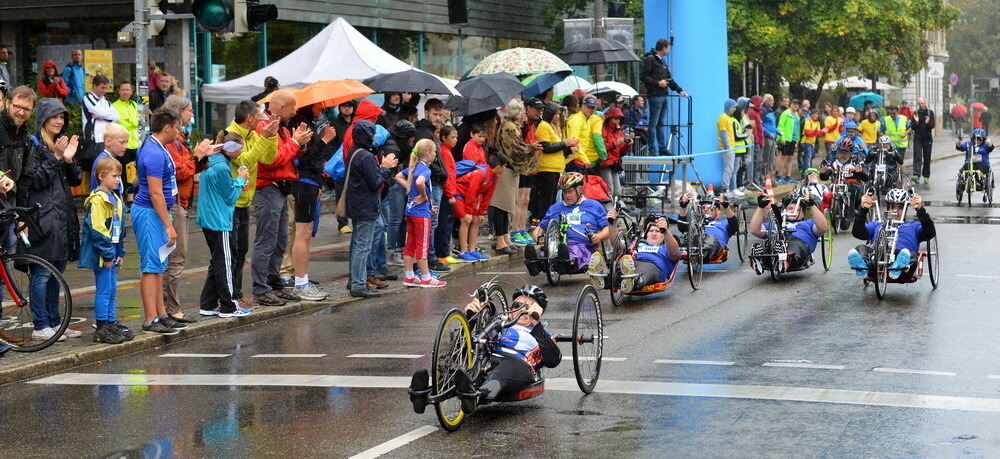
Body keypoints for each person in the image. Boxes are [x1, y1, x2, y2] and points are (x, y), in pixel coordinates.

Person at [409, 284, 560, 415]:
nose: (522, 310)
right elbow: (465, 346)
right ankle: (424, 394)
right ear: (509, 309)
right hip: (487, 357)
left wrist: (536, 325)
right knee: (462, 367)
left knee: (503, 371)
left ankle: (476, 396)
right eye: (517, 305)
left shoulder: (542, 334)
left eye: (529, 307)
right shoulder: (498, 325)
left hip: (517, 363)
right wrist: (471, 319)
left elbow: (553, 359)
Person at [26, 98, 83, 341]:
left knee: (56, 273)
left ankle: (54, 321)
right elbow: (35, 180)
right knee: (42, 274)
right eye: (54, 117)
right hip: (42, 219)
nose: (59, 121)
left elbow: (76, 180)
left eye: (62, 117)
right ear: (44, 119)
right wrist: (56, 157)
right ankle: (40, 324)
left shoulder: (58, 145)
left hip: (61, 219)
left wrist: (68, 158)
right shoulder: (35, 145)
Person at [133, 109, 192, 335]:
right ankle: (150, 319)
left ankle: (161, 314)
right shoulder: (154, 154)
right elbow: (156, 193)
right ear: (167, 127)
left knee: (159, 266)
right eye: (176, 127)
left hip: (156, 212)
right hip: (150, 213)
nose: (179, 131)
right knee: (151, 266)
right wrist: (168, 224)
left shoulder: (158, 148)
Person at [251, 90, 311, 306]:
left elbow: (285, 157)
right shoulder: (265, 126)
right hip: (268, 188)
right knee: (267, 240)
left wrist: (299, 144)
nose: (295, 112)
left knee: (280, 240)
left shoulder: (280, 127)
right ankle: (261, 288)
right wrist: (295, 143)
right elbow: (272, 160)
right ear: (281, 108)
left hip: (280, 188)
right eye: (292, 108)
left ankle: (273, 284)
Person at [161, 95, 211, 321]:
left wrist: (201, 157)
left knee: (177, 258)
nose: (192, 114)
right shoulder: (171, 140)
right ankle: (171, 309)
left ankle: (170, 307)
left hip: (183, 201)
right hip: (176, 203)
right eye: (189, 110)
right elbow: (177, 172)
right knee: (176, 258)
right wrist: (196, 156)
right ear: (178, 112)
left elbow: (187, 168)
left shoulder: (179, 138)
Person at [226, 101, 279, 308]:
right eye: (258, 116)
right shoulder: (230, 135)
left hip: (245, 199)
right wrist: (264, 138)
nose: (261, 120)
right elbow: (245, 160)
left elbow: (268, 157)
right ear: (249, 118)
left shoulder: (252, 135)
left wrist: (272, 136)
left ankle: (236, 294)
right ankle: (230, 296)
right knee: (231, 252)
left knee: (241, 251)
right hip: (231, 202)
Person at [198, 132, 253, 317]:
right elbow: (230, 197)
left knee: (217, 262)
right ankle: (229, 305)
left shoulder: (211, 161)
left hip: (208, 218)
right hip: (218, 220)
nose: (242, 151)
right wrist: (241, 179)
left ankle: (207, 303)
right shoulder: (222, 167)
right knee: (225, 263)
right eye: (240, 148)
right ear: (232, 149)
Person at [79, 155, 131, 344]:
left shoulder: (115, 197)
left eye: (119, 176)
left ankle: (111, 321)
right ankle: (102, 327)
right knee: (103, 289)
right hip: (103, 254)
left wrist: (119, 253)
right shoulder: (98, 200)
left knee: (112, 289)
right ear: (101, 176)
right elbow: (98, 229)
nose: (118, 179)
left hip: (112, 253)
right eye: (114, 176)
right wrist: (108, 253)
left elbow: (119, 229)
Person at [288, 104, 336, 301]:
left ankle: (302, 279)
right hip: (304, 183)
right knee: (302, 233)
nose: (322, 107)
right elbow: (306, 157)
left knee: (305, 233)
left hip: (310, 182)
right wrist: (325, 139)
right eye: (319, 105)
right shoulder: (302, 124)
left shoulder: (310, 124)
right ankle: (300, 282)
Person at [346, 120, 398, 298]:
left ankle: (355, 280)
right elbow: (375, 182)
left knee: (357, 245)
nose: (374, 137)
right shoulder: (366, 157)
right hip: (366, 205)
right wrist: (385, 168)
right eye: (372, 133)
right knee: (363, 246)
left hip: (356, 203)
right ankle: (359, 284)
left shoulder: (355, 151)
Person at [524, 173, 611, 276]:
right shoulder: (555, 208)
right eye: (564, 192)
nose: (567, 196)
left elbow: (608, 229)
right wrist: (537, 237)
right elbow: (539, 229)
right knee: (548, 253)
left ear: (579, 190)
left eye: (570, 192)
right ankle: (535, 264)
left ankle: (565, 262)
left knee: (573, 251)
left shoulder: (594, 205)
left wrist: (599, 236)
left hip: (582, 244)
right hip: (557, 243)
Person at [848, 189, 935, 279]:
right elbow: (858, 233)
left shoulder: (914, 226)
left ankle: (898, 267)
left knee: (910, 255)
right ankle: (862, 266)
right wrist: (863, 209)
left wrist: (920, 210)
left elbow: (930, 233)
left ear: (905, 208)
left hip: (903, 259)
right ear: (888, 208)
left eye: (900, 207)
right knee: (861, 248)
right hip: (877, 258)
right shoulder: (877, 224)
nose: (896, 210)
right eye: (892, 206)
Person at [395, 139, 447, 288]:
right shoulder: (425, 169)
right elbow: (419, 182)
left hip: (411, 211)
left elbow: (398, 176)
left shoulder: (414, 166)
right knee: (422, 245)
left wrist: (411, 191)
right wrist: (424, 196)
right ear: (429, 153)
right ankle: (426, 277)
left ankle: (409, 276)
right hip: (421, 214)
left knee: (409, 244)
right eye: (435, 152)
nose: (436, 154)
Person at [748, 190, 828, 274]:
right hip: (775, 243)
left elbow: (823, 228)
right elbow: (754, 230)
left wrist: (811, 205)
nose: (794, 212)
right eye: (790, 208)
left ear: (803, 214)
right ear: (784, 211)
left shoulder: (808, 224)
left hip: (798, 243)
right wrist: (761, 207)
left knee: (795, 246)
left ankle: (785, 260)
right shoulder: (775, 223)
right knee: (768, 246)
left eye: (798, 210)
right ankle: (759, 259)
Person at [413, 98, 451, 274]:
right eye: (434, 114)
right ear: (426, 113)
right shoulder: (423, 131)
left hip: (434, 180)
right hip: (431, 181)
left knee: (431, 222)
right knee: (430, 222)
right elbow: (425, 158)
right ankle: (429, 258)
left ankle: (427, 258)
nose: (438, 118)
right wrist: (441, 172)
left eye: (440, 114)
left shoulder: (431, 131)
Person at [494, 98, 536, 255]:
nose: (524, 113)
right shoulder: (509, 127)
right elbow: (516, 149)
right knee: (501, 207)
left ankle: (506, 239)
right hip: (506, 169)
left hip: (511, 170)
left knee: (507, 207)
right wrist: (532, 148)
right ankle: (501, 241)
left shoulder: (512, 126)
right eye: (523, 110)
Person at [455, 127, 500, 263]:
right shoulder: (469, 147)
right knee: (466, 220)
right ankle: (464, 250)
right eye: (479, 136)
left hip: (478, 187)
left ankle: (472, 249)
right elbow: (474, 170)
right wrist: (469, 210)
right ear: (472, 134)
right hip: (468, 187)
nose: (482, 139)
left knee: (476, 220)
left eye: (484, 137)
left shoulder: (481, 149)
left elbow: (487, 194)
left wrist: (481, 211)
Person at [641, 38, 688, 157]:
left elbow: (669, 79)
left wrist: (679, 90)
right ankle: (653, 150)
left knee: (660, 123)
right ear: (663, 48)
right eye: (668, 48)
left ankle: (662, 148)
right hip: (655, 95)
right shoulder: (650, 59)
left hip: (663, 95)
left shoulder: (663, 62)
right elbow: (643, 76)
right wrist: (658, 83)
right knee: (654, 123)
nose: (668, 51)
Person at [533, 102, 579, 221]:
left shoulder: (554, 126)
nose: (557, 117)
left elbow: (558, 149)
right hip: (547, 168)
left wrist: (569, 149)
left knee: (552, 199)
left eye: (559, 114)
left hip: (556, 168)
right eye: (555, 114)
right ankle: (542, 223)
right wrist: (565, 143)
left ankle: (550, 222)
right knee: (546, 199)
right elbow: (547, 148)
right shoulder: (544, 126)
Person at [677, 192, 738, 262]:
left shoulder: (724, 223)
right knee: (678, 238)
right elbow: (682, 227)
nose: (705, 209)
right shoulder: (696, 223)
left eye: (709, 207)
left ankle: (700, 250)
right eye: (703, 207)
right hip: (695, 242)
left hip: (715, 245)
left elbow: (735, 227)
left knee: (709, 238)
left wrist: (726, 207)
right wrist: (683, 206)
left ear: (718, 211)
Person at [820, 140, 868, 230]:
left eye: (845, 153)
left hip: (854, 185)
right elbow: (824, 177)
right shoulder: (834, 162)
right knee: (829, 190)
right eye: (841, 152)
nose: (843, 155)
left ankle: (850, 214)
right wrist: (823, 173)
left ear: (850, 154)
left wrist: (860, 172)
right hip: (838, 186)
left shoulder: (856, 162)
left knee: (849, 186)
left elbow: (866, 178)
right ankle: (831, 211)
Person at [83, 74, 120, 172]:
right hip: (94, 139)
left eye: (105, 88)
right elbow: (100, 112)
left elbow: (117, 116)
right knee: (98, 169)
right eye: (102, 87)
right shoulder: (88, 98)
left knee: (107, 168)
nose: (104, 90)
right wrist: (106, 116)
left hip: (106, 138)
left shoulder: (105, 101)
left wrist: (102, 117)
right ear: (94, 85)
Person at [435, 126, 461, 265]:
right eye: (452, 137)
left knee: (446, 223)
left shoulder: (447, 151)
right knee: (445, 223)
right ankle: (442, 253)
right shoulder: (444, 152)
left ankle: (443, 252)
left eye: (456, 137)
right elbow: (447, 176)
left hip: (449, 192)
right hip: (447, 194)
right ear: (444, 138)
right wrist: (450, 194)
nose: (455, 140)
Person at [111, 81, 140, 179]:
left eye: (127, 90)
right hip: (122, 144)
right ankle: (125, 192)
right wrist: (132, 122)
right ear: (118, 91)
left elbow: (139, 122)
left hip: (136, 143)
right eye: (122, 90)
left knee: (136, 171)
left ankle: (133, 192)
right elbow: (119, 125)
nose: (125, 92)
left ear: (131, 92)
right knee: (123, 171)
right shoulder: (114, 106)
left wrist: (129, 120)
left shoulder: (135, 105)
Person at [599, 107, 630, 201]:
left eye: (619, 119)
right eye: (615, 118)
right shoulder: (602, 130)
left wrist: (627, 144)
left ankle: (614, 211)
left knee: (617, 191)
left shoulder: (619, 132)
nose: (617, 121)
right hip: (605, 162)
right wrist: (615, 144)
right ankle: (609, 212)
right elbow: (601, 147)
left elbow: (622, 152)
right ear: (609, 118)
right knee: (609, 190)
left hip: (614, 163)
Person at [910, 98, 936, 184]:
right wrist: (916, 122)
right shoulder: (915, 113)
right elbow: (913, 127)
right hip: (918, 138)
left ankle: (926, 176)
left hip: (927, 138)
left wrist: (927, 122)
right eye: (919, 104)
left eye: (922, 103)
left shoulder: (930, 113)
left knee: (927, 157)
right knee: (917, 156)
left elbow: (932, 126)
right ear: (918, 104)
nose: (921, 105)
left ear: (925, 103)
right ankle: (916, 175)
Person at [776, 98, 801, 184]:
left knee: (790, 158)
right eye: (794, 104)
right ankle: (779, 176)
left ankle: (788, 176)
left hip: (793, 139)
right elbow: (780, 126)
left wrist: (797, 139)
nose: (796, 106)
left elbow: (797, 128)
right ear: (791, 104)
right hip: (786, 138)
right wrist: (782, 137)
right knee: (783, 157)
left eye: (797, 104)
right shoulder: (785, 113)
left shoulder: (797, 115)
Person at [717, 99, 738, 193]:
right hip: (726, 148)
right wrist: (727, 146)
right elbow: (723, 132)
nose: (734, 110)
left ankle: (727, 187)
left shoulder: (727, 118)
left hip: (730, 147)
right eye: (733, 107)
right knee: (728, 168)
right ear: (729, 107)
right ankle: (725, 188)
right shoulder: (723, 118)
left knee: (730, 168)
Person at [760, 94, 778, 184]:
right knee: (765, 159)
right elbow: (761, 125)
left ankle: (770, 177)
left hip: (773, 138)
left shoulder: (771, 111)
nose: (773, 102)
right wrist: (768, 133)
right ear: (766, 101)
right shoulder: (763, 111)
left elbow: (772, 125)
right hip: (767, 138)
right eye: (771, 100)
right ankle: (763, 177)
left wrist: (777, 132)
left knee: (772, 159)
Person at [801, 109, 823, 174]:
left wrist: (822, 131)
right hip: (806, 142)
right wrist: (815, 131)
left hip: (812, 142)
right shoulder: (808, 121)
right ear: (811, 114)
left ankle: (805, 172)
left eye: (817, 114)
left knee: (809, 158)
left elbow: (818, 134)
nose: (815, 115)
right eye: (814, 114)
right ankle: (808, 173)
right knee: (808, 158)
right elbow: (807, 132)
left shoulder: (818, 123)